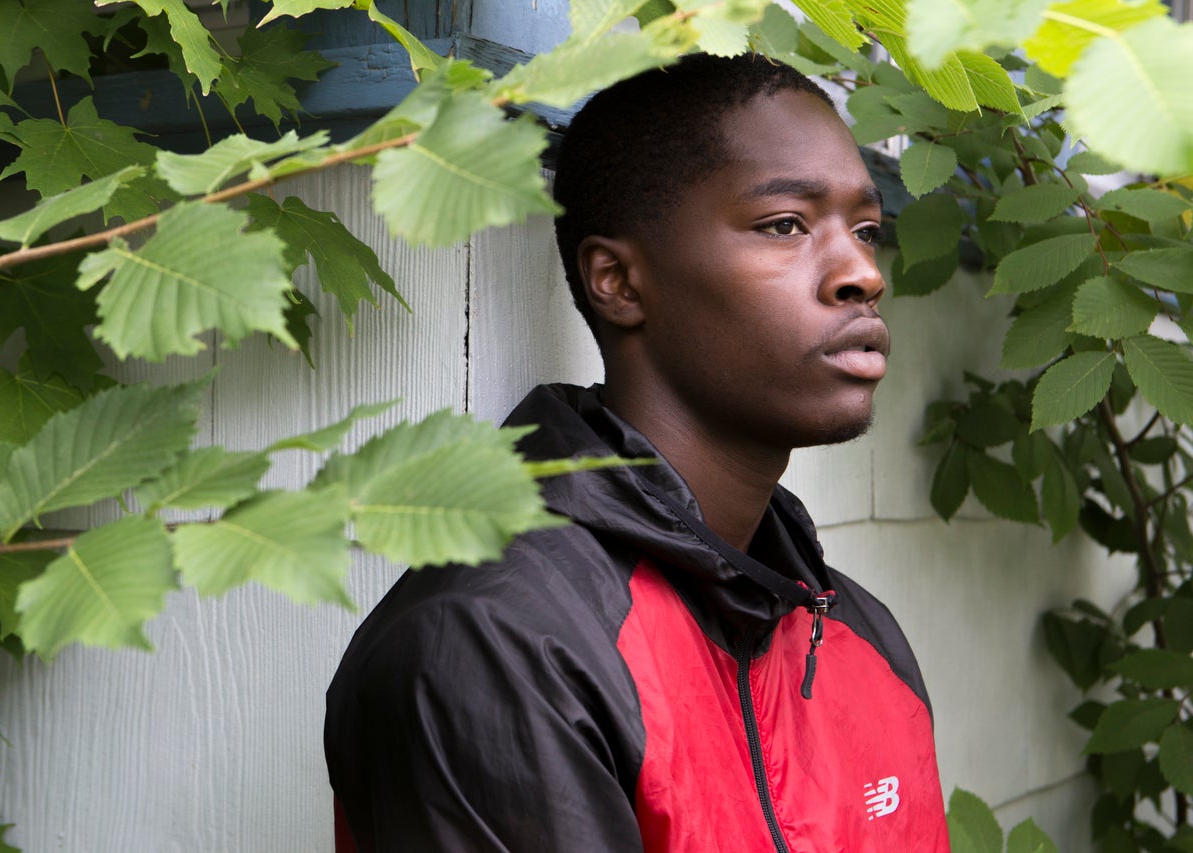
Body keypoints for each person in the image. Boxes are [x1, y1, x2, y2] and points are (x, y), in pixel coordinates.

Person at [324, 53, 949, 852]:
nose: (862, 272)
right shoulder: (497, 644)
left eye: (866, 230)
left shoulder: (859, 637)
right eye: (785, 224)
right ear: (618, 281)